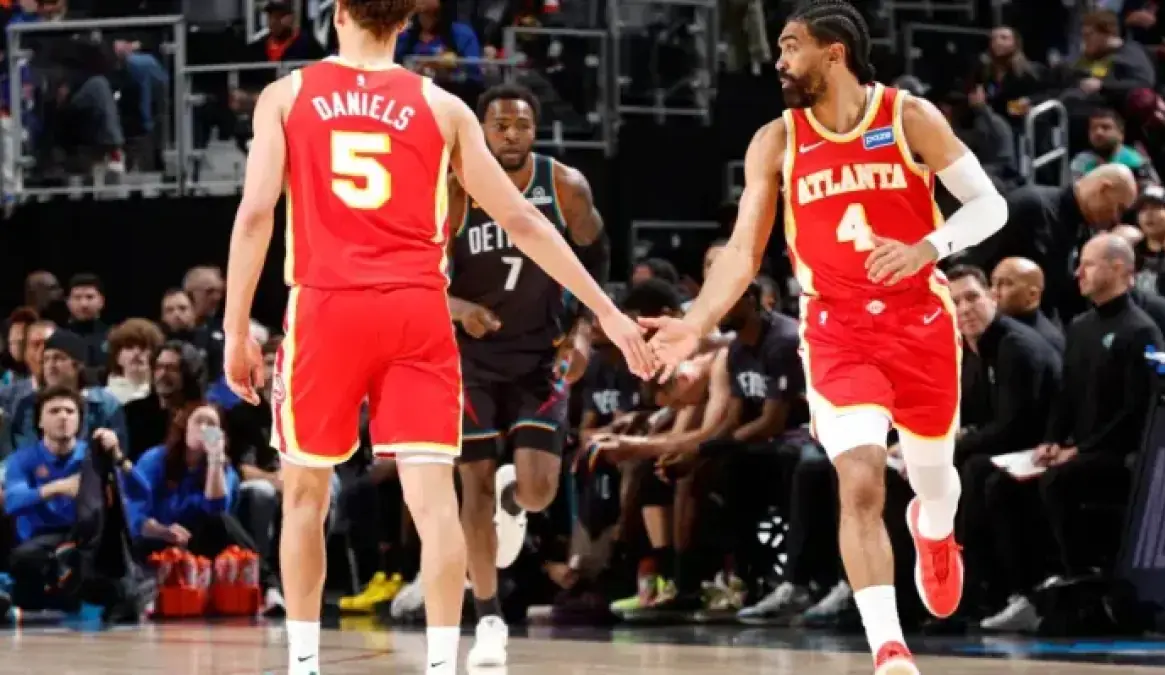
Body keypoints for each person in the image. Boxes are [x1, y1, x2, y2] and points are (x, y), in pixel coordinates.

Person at [221, 2, 655, 675]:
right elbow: (523, 221)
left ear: (339, 14)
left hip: (328, 308)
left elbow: (255, 216)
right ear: (403, 25)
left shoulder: (287, 95)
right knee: (435, 504)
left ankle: (303, 664)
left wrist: (235, 329)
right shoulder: (442, 106)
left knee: (305, 496)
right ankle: (444, 665)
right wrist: (609, 312)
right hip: (418, 312)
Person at [639, 1, 1008, 671]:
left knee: (934, 481)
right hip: (838, 330)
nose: (778, 61)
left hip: (920, 325)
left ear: (833, 52)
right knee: (860, 482)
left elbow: (990, 205)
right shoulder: (776, 139)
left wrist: (927, 247)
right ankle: (889, 648)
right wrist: (694, 324)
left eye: (791, 47)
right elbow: (743, 252)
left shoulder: (908, 116)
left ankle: (934, 530)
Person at [445, 83, 609, 667]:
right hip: (471, 360)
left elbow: (596, 258)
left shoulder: (563, 186)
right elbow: (417, 272)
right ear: (482, 131)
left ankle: (516, 500)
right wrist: (458, 309)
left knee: (541, 491)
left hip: (542, 353)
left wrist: (584, 332)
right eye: (500, 125)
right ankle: (489, 616)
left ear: (535, 132)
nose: (510, 135)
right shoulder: (455, 188)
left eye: (521, 125)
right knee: (473, 483)